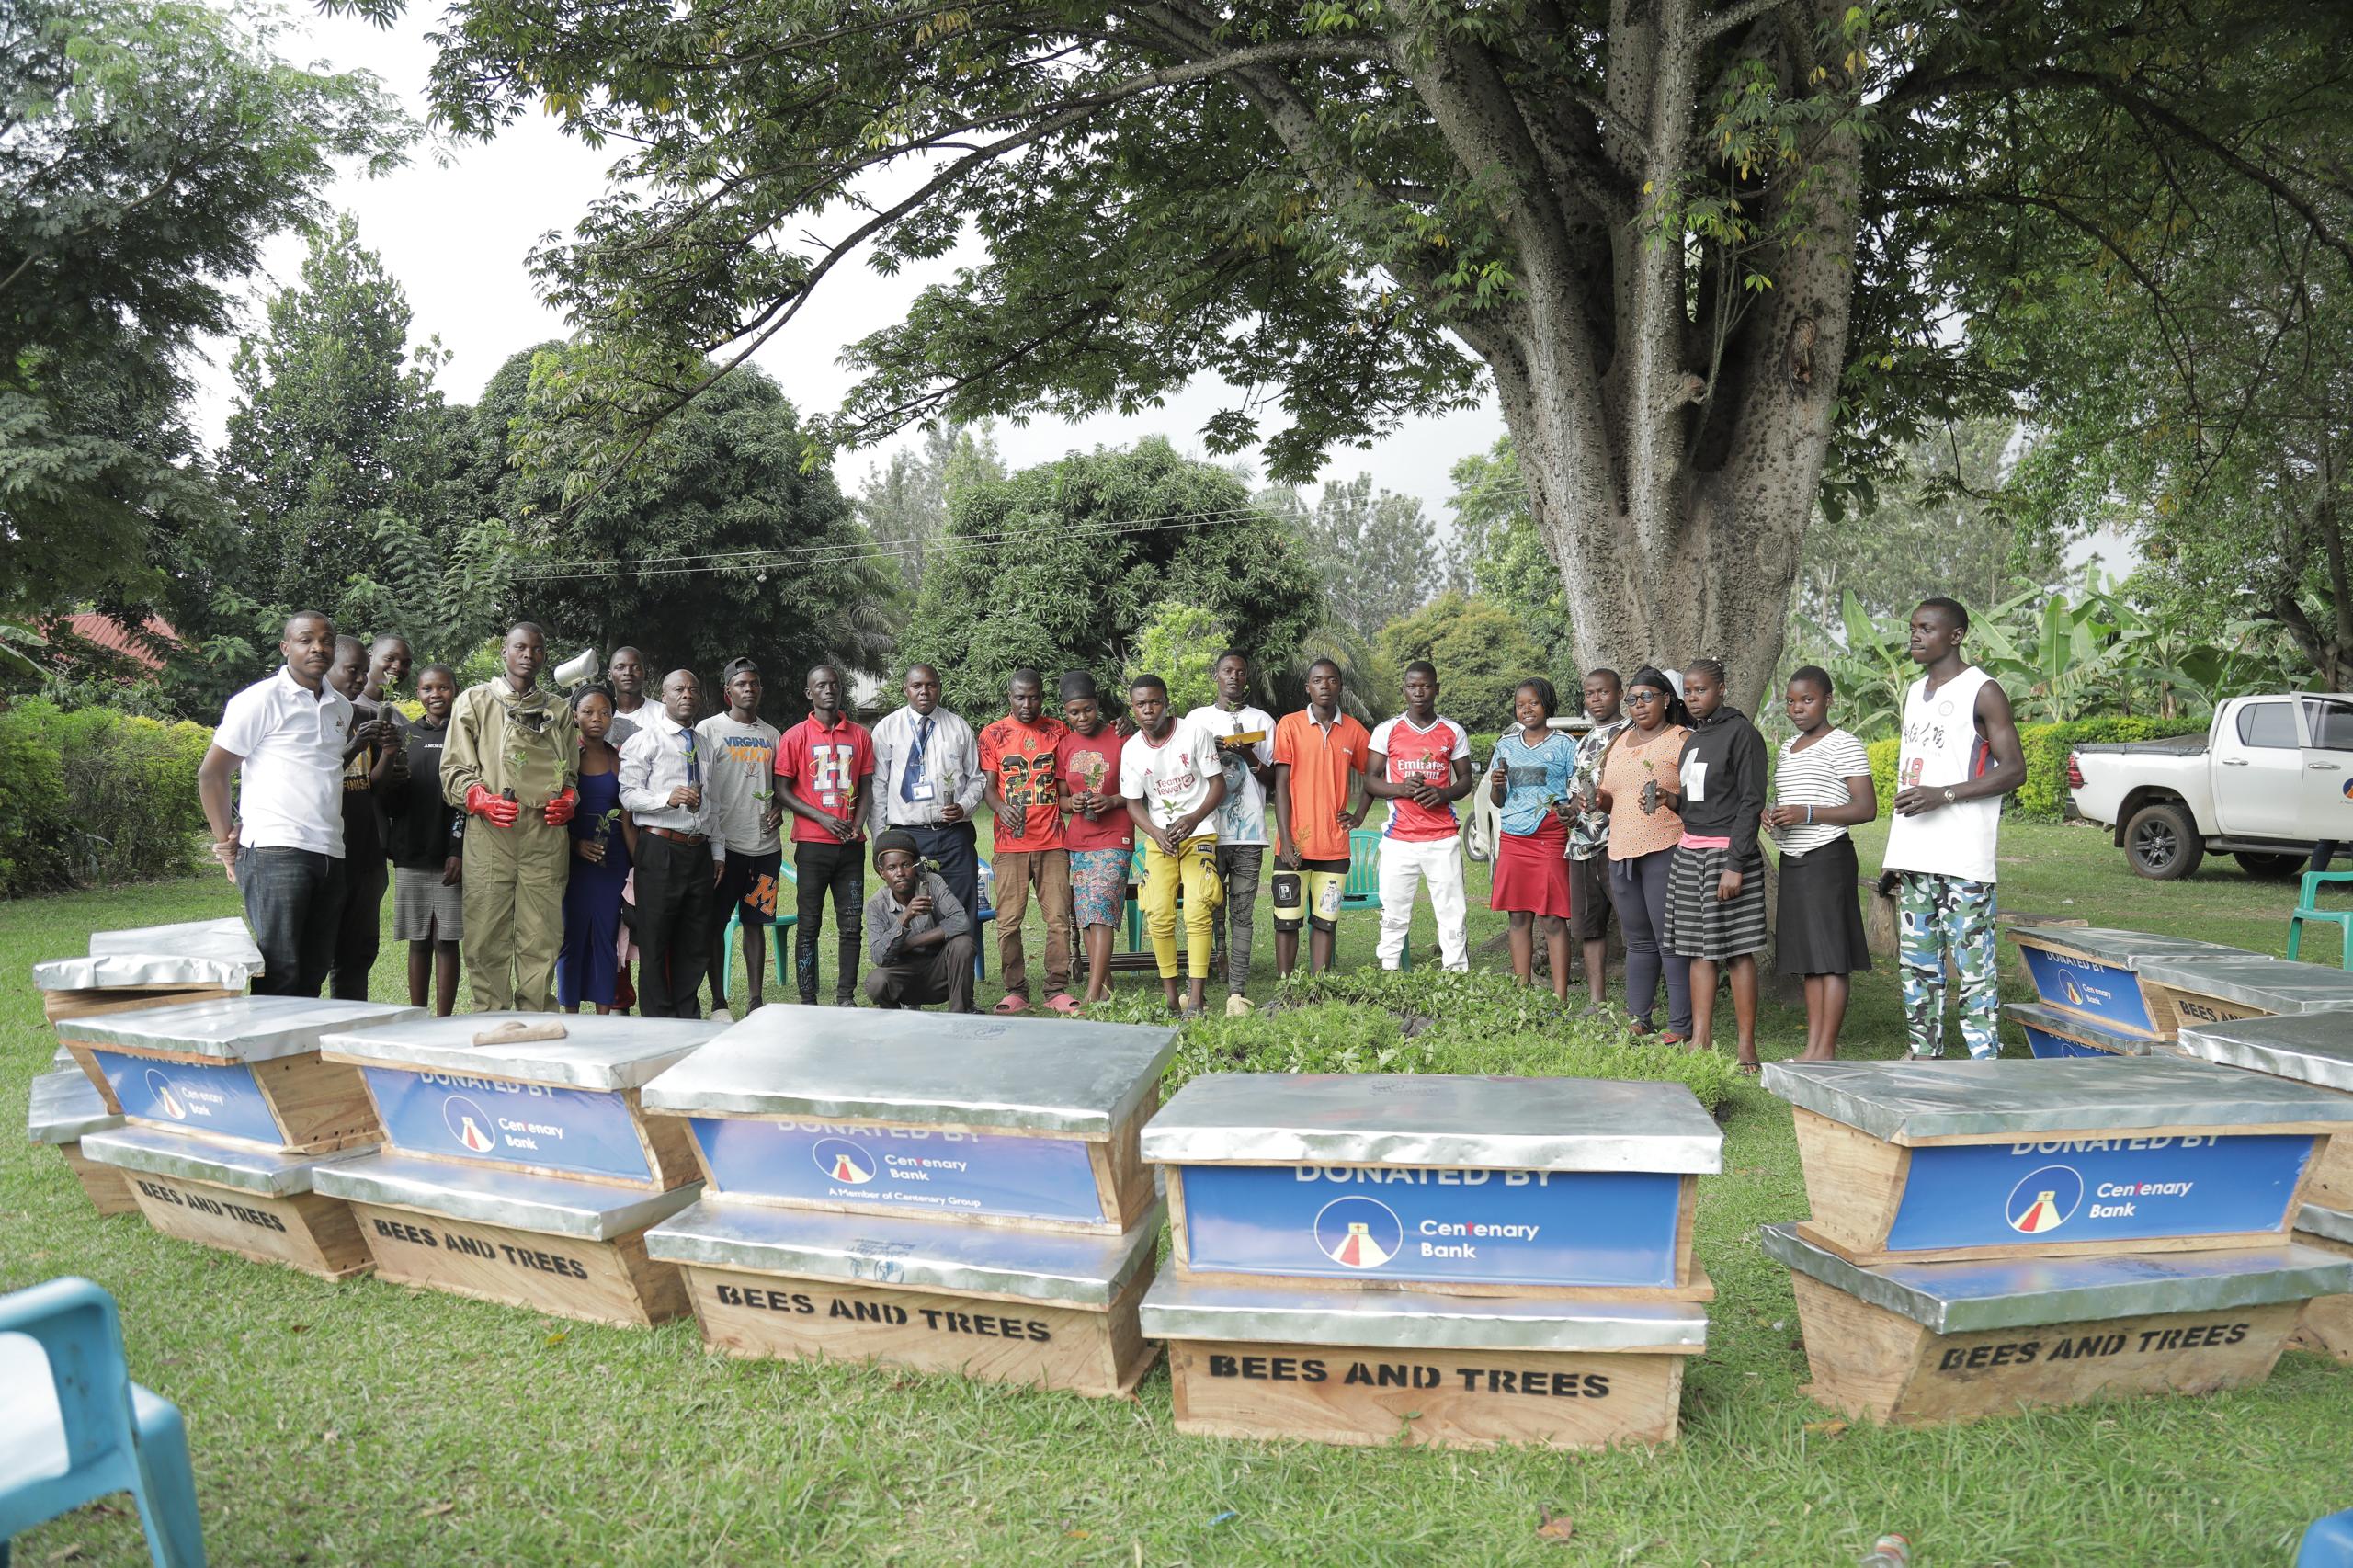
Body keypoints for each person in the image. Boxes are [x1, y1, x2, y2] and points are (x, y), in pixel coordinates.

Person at [1882, 597, 2025, 1061]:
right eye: (1912, 628)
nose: (1915, 636)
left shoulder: (1983, 691)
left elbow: (2014, 770)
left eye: (1926, 628)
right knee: (1917, 965)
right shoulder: (1913, 692)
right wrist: (1894, 857)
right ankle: (1924, 1054)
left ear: (1956, 635)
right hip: (1915, 856)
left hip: (1963, 857)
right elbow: (1912, 774)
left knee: (1973, 967)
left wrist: (1943, 794)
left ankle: (1985, 1063)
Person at [197, 611, 366, 997]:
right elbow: (212, 775)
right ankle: (267, 1057)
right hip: (277, 850)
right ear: (285, 647)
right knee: (279, 971)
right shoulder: (259, 700)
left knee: (314, 969)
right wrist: (226, 843)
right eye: (306, 640)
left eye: (326, 641)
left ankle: (300, 1056)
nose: (317, 648)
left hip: (330, 852)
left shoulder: (341, 707)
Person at [443, 622, 580, 1011]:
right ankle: (490, 1015)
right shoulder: (474, 701)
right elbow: (452, 769)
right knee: (485, 930)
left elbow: (570, 773)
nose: (528, 655)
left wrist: (569, 798)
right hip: (491, 833)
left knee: (543, 932)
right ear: (504, 652)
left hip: (545, 834)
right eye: (520, 647)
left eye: (537, 649)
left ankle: (536, 1016)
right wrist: (480, 800)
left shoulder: (558, 710)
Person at [1658, 659, 1769, 1071]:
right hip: (1689, 853)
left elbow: (1750, 802)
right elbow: (1699, 800)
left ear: (1722, 689)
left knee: (1737, 951)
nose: (1693, 697)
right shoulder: (1693, 740)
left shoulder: (1742, 734)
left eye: (1701, 690)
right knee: (1696, 952)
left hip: (1728, 855)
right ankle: (1700, 1040)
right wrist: (1671, 802)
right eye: (1688, 691)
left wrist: (1736, 863)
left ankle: (1746, 1047)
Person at [1764, 666, 1877, 1061]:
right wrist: (1774, 815)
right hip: (1794, 858)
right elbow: (1792, 802)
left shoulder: (1844, 743)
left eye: (1807, 700)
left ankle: (1825, 1051)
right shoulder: (1787, 748)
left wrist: (1807, 813)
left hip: (1828, 856)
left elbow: (1866, 808)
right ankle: (1812, 1048)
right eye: (1792, 701)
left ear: (1828, 700)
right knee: (1809, 960)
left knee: (1831, 958)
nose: (1798, 708)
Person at [1592, 667, 1693, 1041]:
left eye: (1647, 697)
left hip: (1665, 848)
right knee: (1637, 940)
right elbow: (1609, 797)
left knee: (1671, 939)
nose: (1638, 705)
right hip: (1621, 850)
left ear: (1667, 699)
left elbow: (1700, 798)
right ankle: (1640, 1017)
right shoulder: (1619, 740)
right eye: (1632, 699)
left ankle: (1682, 1025)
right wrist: (1598, 800)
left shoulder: (1682, 739)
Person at [619, 669, 725, 1017]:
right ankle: (658, 1018)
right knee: (655, 939)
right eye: (678, 689)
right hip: (660, 848)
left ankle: (686, 1013)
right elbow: (629, 795)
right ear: (663, 696)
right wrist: (667, 798)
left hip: (698, 851)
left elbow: (714, 804)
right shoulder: (646, 740)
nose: (687, 695)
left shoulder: (704, 744)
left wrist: (718, 852)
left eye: (693, 689)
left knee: (695, 939)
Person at [1121, 675, 1227, 1017]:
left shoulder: (1195, 734)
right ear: (1133, 708)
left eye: (1154, 702)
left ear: (1166, 702)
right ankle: (1170, 997)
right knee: (1158, 913)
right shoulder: (1132, 749)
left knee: (1198, 907)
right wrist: (1154, 831)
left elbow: (1217, 786)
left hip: (1199, 833)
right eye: (1141, 704)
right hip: (1160, 838)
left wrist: (1194, 818)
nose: (1148, 710)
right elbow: (1134, 804)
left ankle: (1195, 999)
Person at [774, 663, 875, 1006]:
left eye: (833, 684)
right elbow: (782, 791)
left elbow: (866, 787)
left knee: (851, 924)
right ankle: (808, 998)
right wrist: (823, 818)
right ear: (809, 693)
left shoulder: (860, 736)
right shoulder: (794, 736)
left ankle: (845, 995)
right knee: (809, 924)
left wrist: (857, 824)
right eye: (820, 685)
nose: (828, 690)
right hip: (813, 845)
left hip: (850, 847)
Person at [1365, 661, 1474, 971]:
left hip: (1442, 839)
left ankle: (1456, 973)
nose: (1419, 692)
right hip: (1399, 840)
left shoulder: (1453, 731)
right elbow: (1370, 780)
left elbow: (1465, 780)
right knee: (1393, 912)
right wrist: (1400, 788)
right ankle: (1390, 972)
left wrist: (1443, 793)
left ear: (1436, 689)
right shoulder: (1387, 730)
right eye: (1412, 686)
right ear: (1404, 689)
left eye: (1425, 686)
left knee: (1452, 911)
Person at [1185, 651, 1277, 1014]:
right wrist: (1214, 749)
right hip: (1205, 831)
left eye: (1240, 672)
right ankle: (1210, 969)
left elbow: (1274, 777)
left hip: (1249, 832)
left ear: (1247, 678)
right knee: (1206, 906)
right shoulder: (1197, 720)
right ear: (1216, 676)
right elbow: (1187, 772)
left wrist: (1252, 756)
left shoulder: (1263, 721)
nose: (1234, 677)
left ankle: (1237, 989)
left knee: (1242, 910)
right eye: (1227, 671)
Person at [979, 667, 1074, 1014]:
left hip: (1052, 842)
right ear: (1010, 697)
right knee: (1008, 922)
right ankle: (1016, 989)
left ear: (1042, 697)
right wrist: (1000, 808)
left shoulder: (1057, 730)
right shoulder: (993, 734)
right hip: (1011, 845)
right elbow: (989, 787)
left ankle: (1056, 988)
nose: (1027, 704)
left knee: (1058, 919)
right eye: (1020, 697)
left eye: (1033, 697)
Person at [1271, 658, 1370, 978]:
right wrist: (1285, 838)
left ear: (1340, 686)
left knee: (1325, 922)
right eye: (1317, 680)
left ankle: (1318, 986)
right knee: (1286, 920)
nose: (1324, 686)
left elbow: (1374, 775)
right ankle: (1287, 985)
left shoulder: (1354, 730)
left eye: (1331, 680)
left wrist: (1358, 815)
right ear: (1307, 687)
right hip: (1294, 845)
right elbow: (1281, 785)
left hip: (1334, 846)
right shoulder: (1289, 724)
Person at [867, 663, 986, 927]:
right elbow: (878, 787)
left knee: (961, 908)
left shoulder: (958, 727)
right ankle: (924, 968)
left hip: (954, 834)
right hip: (908, 837)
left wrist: (963, 807)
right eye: (917, 686)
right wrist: (880, 844)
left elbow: (977, 779)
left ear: (939, 688)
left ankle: (958, 967)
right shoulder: (887, 729)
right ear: (905, 689)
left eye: (931, 685)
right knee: (917, 910)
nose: (924, 692)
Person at [699, 658, 784, 1013]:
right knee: (715, 923)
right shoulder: (708, 730)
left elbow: (781, 787)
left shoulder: (772, 735)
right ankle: (719, 1001)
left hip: (765, 847)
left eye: (754, 684)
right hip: (724, 847)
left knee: (756, 922)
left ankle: (755, 1000)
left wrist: (780, 806)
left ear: (760, 690)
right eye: (741, 684)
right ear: (727, 691)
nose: (748, 689)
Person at [1485, 677, 1579, 997]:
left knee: (1553, 918)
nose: (1526, 709)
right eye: (1520, 704)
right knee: (1518, 915)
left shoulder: (1566, 744)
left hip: (1549, 837)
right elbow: (1499, 800)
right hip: (1514, 836)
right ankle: (1522, 991)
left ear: (1547, 704)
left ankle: (1560, 995)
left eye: (1534, 703)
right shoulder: (1506, 745)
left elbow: (1577, 792)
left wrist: (1568, 811)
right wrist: (1498, 784)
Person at [383, 663, 465, 1016]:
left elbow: (467, 797)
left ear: (454, 690)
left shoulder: (464, 736)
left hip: (450, 855)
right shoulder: (405, 736)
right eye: (428, 689)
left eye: (443, 688)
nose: (436, 695)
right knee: (418, 940)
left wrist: (459, 849)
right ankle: (417, 1016)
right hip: (411, 852)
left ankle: (444, 1019)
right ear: (417, 693)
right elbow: (388, 797)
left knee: (446, 940)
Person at [325, 635, 401, 999]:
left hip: (365, 849)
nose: (359, 679)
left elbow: (372, 786)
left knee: (358, 954)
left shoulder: (367, 715)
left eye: (361, 671)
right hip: (327, 850)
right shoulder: (316, 717)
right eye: (350, 670)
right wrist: (354, 744)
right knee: (319, 951)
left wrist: (388, 752)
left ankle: (347, 1029)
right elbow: (315, 773)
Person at [1058, 671, 1132, 1008]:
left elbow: (1138, 791)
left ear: (1097, 706)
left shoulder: (1120, 738)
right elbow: (1060, 797)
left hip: (1116, 835)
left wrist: (1113, 800)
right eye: (1074, 712)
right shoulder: (1064, 745)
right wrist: (1071, 803)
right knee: (1087, 915)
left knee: (1101, 909)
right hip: (1079, 839)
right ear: (1066, 712)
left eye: (1087, 710)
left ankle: (1090, 993)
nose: (1082, 717)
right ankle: (1106, 989)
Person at [560, 686, 636, 1014]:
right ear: (575, 716)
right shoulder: (564, 758)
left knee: (606, 937)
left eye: (605, 712)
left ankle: (604, 1015)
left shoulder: (618, 758)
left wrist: (638, 867)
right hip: (572, 862)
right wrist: (575, 845)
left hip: (611, 861)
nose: (597, 719)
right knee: (572, 937)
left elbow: (627, 819)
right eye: (589, 712)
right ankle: (571, 1014)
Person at [862, 829, 976, 1012]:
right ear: (882, 872)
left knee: (963, 944)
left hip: (941, 972)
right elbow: (879, 957)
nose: (900, 872)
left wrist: (910, 943)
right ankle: (896, 1020)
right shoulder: (876, 904)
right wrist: (905, 917)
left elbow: (961, 920)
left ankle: (959, 1016)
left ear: (915, 865)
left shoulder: (933, 883)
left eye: (905, 864)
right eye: (892, 868)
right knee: (876, 981)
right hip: (904, 978)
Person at [1566, 669, 1628, 1007]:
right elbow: (1576, 796)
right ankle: (1597, 1001)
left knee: (1634, 925)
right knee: (1590, 928)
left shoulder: (1632, 734)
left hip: (1620, 842)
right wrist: (1569, 811)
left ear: (1619, 694)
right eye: (1590, 694)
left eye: (1602, 692)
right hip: (1582, 845)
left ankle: (1639, 1001)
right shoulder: (1583, 744)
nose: (1595, 699)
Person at [606, 646, 651, 744]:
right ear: (610, 675)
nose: (628, 673)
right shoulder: (599, 715)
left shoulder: (663, 714)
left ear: (646, 674)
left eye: (636, 667)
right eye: (620, 667)